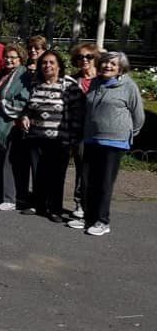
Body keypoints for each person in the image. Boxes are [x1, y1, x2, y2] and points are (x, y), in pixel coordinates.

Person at [68, 51, 145, 236]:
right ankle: (89, 216)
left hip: (115, 142)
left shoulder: (128, 86)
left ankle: (102, 221)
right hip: (92, 139)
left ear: (120, 68)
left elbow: (138, 116)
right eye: (104, 63)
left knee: (104, 183)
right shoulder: (96, 83)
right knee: (87, 180)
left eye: (112, 64)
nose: (107, 66)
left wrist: (127, 133)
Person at [19, 50, 83, 222]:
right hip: (36, 136)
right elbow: (28, 107)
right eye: (44, 63)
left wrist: (73, 138)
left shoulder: (69, 85)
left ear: (59, 66)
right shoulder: (35, 84)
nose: (47, 66)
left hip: (59, 139)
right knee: (38, 172)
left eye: (51, 62)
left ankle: (55, 208)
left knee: (56, 175)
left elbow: (77, 114)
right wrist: (25, 116)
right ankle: (39, 205)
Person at [0, 43, 31, 211]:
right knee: (2, 160)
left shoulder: (23, 75)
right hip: (1, 121)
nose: (9, 60)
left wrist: (0, 103)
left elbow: (22, 101)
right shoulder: (6, 75)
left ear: (21, 59)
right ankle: (3, 194)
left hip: (12, 124)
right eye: (7, 56)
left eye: (13, 57)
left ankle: (10, 198)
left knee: (10, 162)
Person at [69, 42, 100, 219]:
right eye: (80, 57)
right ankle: (80, 202)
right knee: (82, 169)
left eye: (89, 56)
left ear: (96, 58)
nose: (84, 60)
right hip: (79, 132)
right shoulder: (73, 80)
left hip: (100, 132)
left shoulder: (102, 80)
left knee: (99, 170)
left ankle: (96, 204)